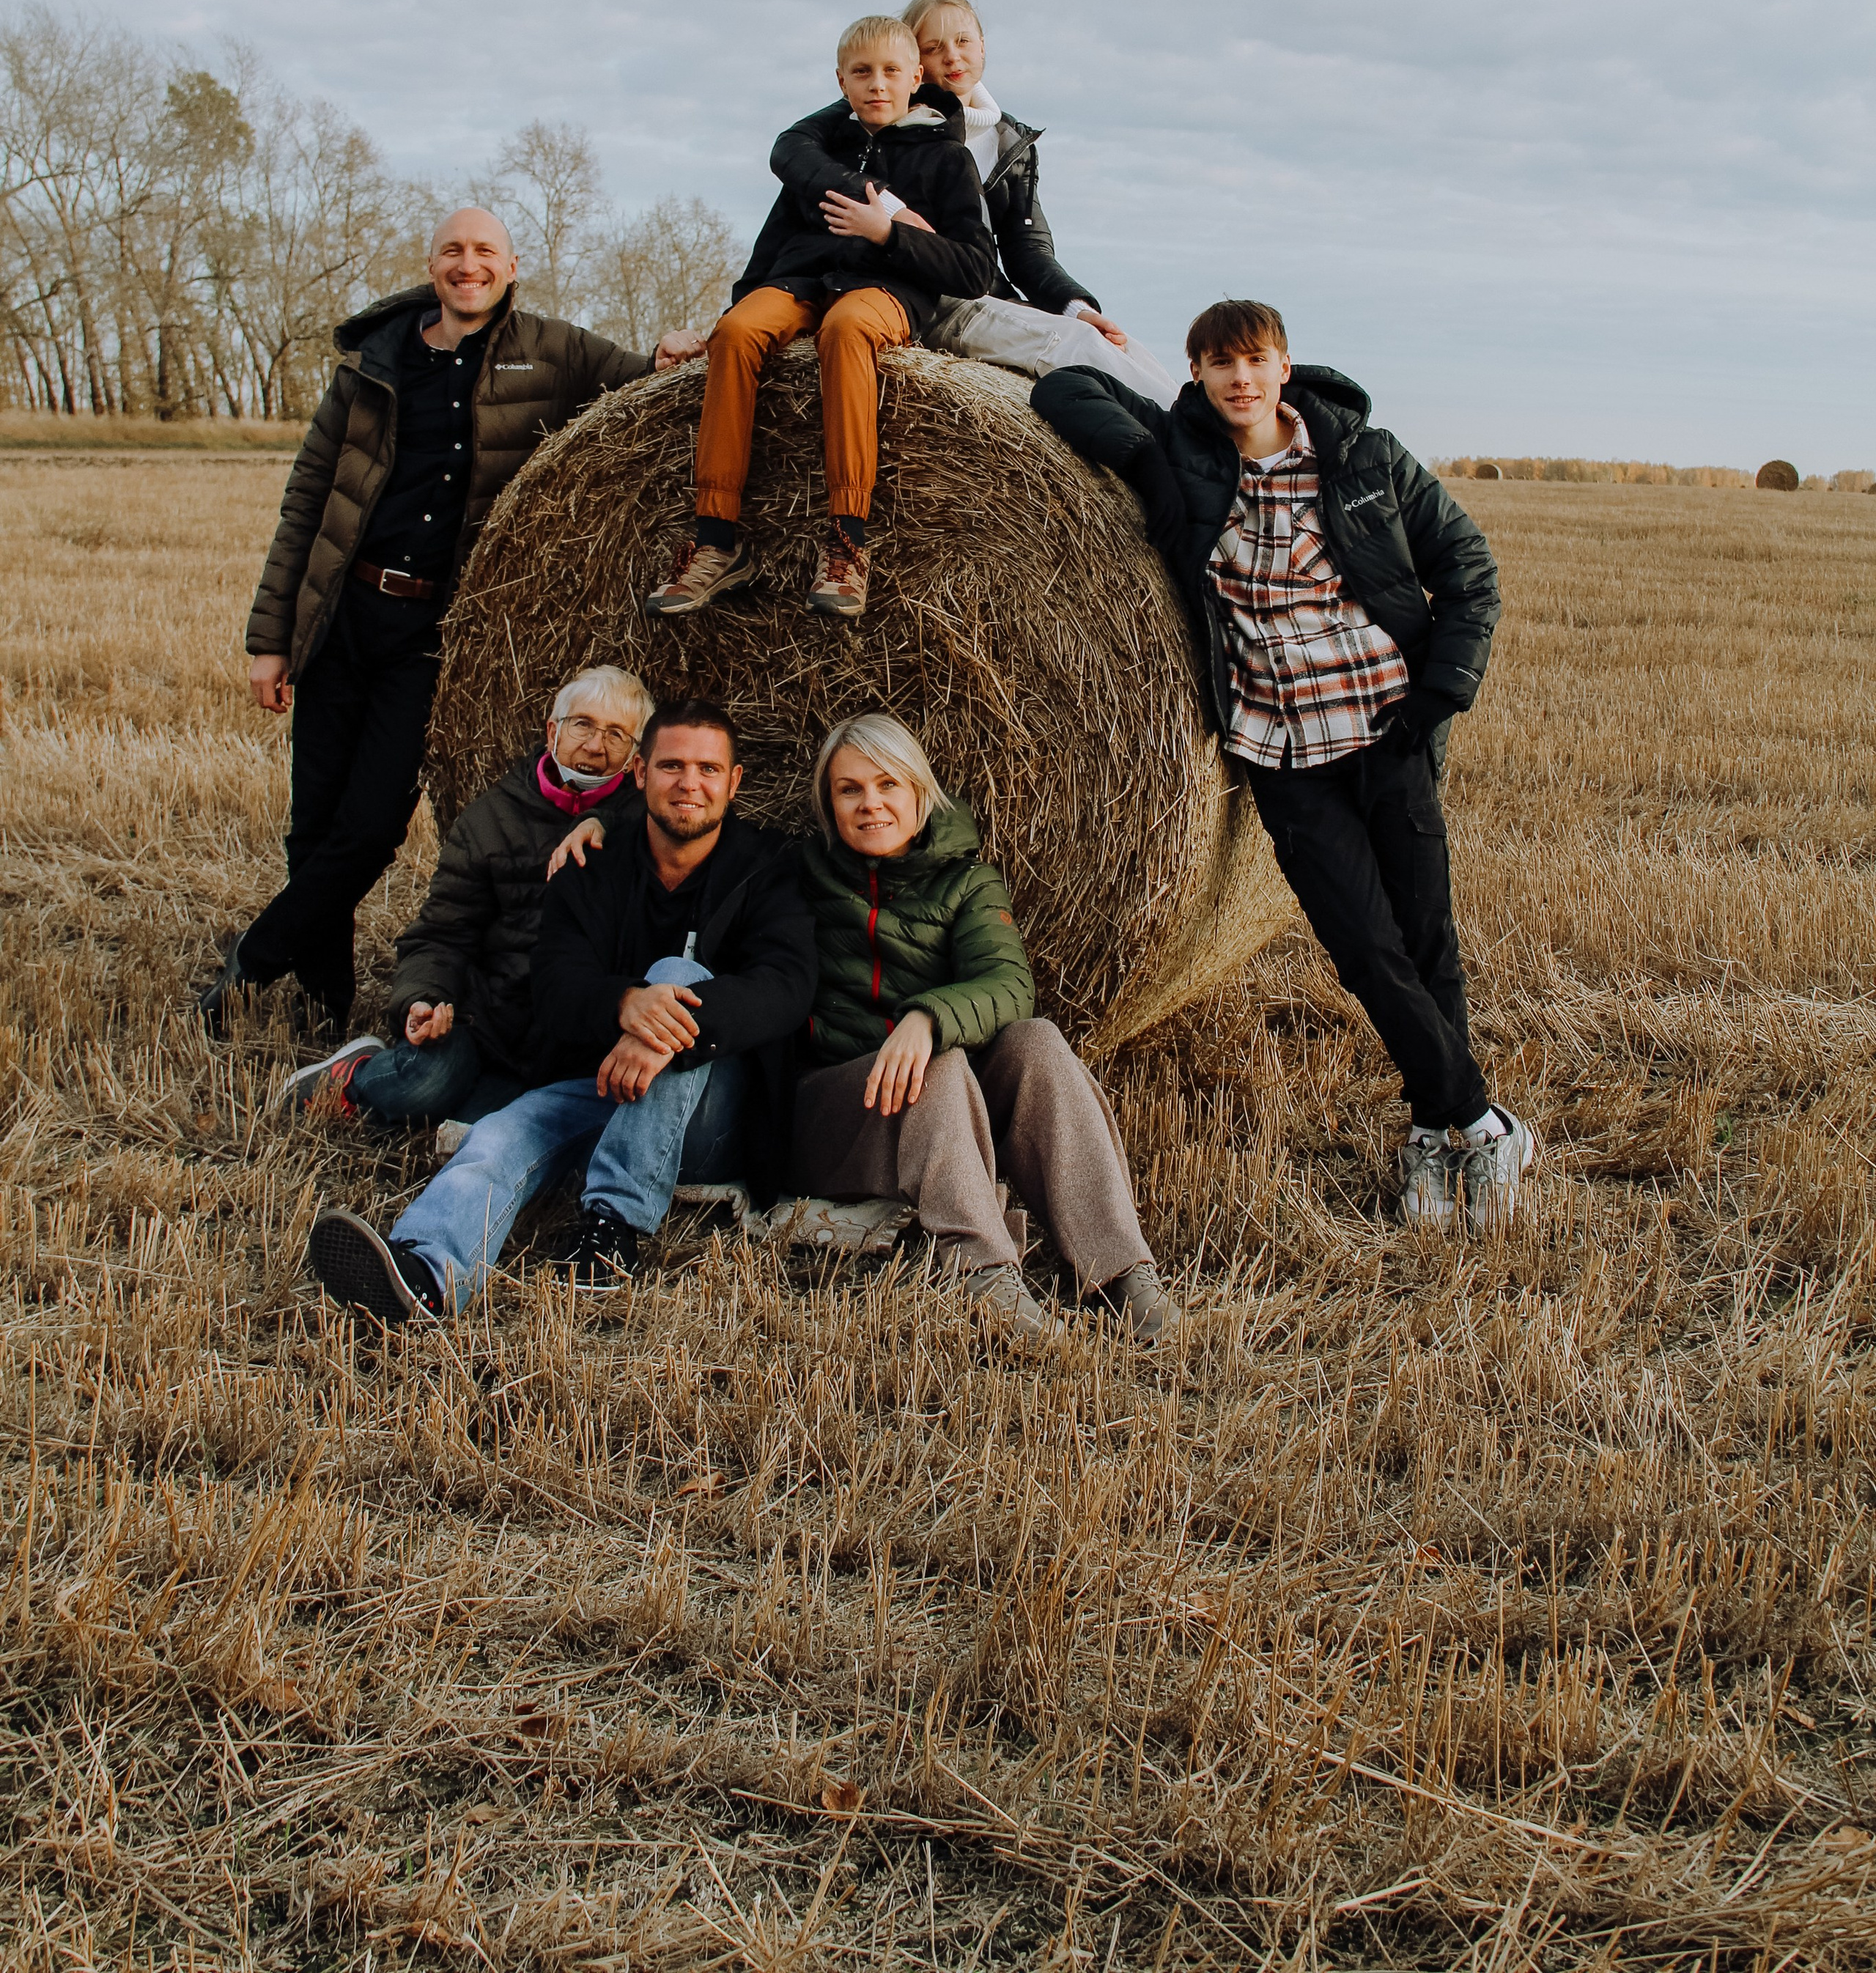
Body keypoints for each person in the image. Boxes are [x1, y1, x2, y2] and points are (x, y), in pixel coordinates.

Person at [1031, 300, 1536, 1231]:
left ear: (1285, 365)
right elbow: (1064, 386)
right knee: (1363, 947)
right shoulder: (1181, 455)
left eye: (1255, 360)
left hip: (1387, 727)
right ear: (1196, 376)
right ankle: (1483, 1121)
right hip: (1279, 748)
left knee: (1425, 942)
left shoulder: (1363, 456)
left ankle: (1434, 1131)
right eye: (1219, 364)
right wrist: (1145, 455)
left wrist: (1437, 696)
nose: (1240, 379)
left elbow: (1468, 564)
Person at [202, 208, 689, 1037]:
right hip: (343, 610)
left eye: (485, 252)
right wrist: (270, 639)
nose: (469, 265)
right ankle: (323, 1001)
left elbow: (644, 387)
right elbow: (306, 503)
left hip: (432, 628)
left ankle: (252, 962)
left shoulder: (553, 348)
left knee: (370, 827)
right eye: (453, 251)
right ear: (432, 265)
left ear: (511, 265)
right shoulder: (373, 363)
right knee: (312, 824)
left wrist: (679, 356)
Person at [305, 698, 816, 1323]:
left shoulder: (769, 867)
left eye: (709, 770)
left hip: (712, 1116)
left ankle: (613, 1225)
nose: (690, 784)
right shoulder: (591, 864)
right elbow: (554, 985)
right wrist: (626, 1004)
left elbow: (786, 986)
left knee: (676, 975)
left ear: (733, 782)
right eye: (672, 766)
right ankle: (425, 1272)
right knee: (501, 1133)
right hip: (604, 1087)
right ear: (638, 774)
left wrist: (663, 1029)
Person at [788, 712, 1177, 1343]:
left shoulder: (967, 882)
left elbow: (1010, 984)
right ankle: (983, 1274)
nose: (871, 804)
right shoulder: (799, 880)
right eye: (849, 789)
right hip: (840, 1110)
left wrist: (926, 1016)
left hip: (947, 1106)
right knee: (936, 1065)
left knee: (1037, 1041)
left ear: (919, 790)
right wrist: (594, 819)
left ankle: (1122, 1270)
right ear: (829, 805)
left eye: (888, 784)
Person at [643, 17, 995, 624]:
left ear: (916, 76)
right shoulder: (823, 155)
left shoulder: (948, 159)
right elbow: (772, 243)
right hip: (803, 283)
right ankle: (717, 537)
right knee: (738, 333)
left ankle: (848, 541)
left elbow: (974, 269)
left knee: (846, 329)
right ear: (841, 81)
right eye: (862, 73)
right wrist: (733, 311)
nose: (877, 85)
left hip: (886, 289)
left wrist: (888, 233)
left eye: (891, 72)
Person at [275, 663, 653, 1127]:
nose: (595, 746)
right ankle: (358, 1075)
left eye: (617, 734)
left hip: (565, 1039)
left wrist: (604, 823)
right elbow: (441, 934)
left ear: (637, 757)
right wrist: (424, 998)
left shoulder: (651, 826)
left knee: (488, 1127)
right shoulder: (489, 820)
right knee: (428, 1084)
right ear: (552, 730)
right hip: (484, 1021)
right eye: (583, 725)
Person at [778, 0, 1178, 409]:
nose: (952, 57)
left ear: (983, 45)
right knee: (1071, 345)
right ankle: (1207, 458)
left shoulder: (1009, 140)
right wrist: (892, 209)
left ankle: (1224, 450)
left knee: (1113, 343)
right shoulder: (878, 117)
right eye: (933, 48)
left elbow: (1027, 249)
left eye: (964, 41)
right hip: (929, 296)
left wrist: (1075, 306)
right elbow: (792, 149)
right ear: (914, 65)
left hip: (987, 293)